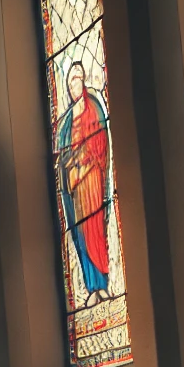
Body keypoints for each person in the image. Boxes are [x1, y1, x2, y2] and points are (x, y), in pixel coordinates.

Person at [55, 63, 112, 304]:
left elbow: (100, 140)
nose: (72, 86)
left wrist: (84, 155)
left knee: (95, 229)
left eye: (76, 80)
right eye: (69, 83)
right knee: (79, 231)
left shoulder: (95, 107)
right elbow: (62, 152)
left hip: (92, 177)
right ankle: (91, 287)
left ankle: (103, 283)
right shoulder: (66, 121)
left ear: (83, 79)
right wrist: (68, 163)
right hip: (76, 185)